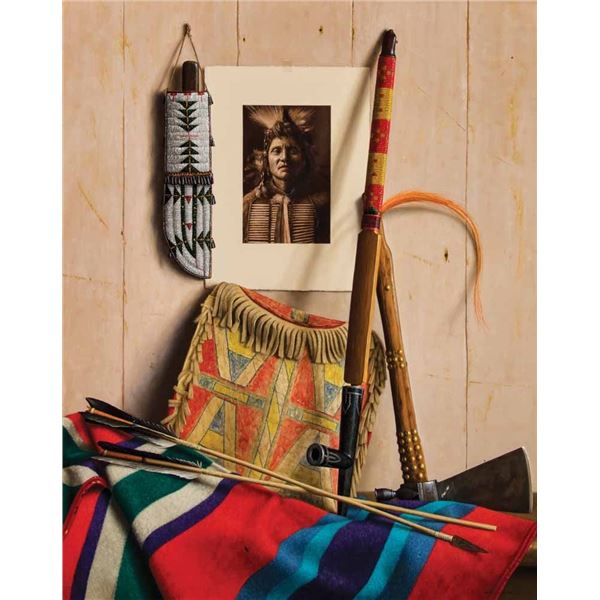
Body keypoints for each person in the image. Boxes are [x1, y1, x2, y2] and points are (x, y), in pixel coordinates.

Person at [243, 108, 329, 244]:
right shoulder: (247, 204)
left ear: (304, 158)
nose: (284, 158)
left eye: (293, 151)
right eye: (276, 151)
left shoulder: (322, 205)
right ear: (266, 160)